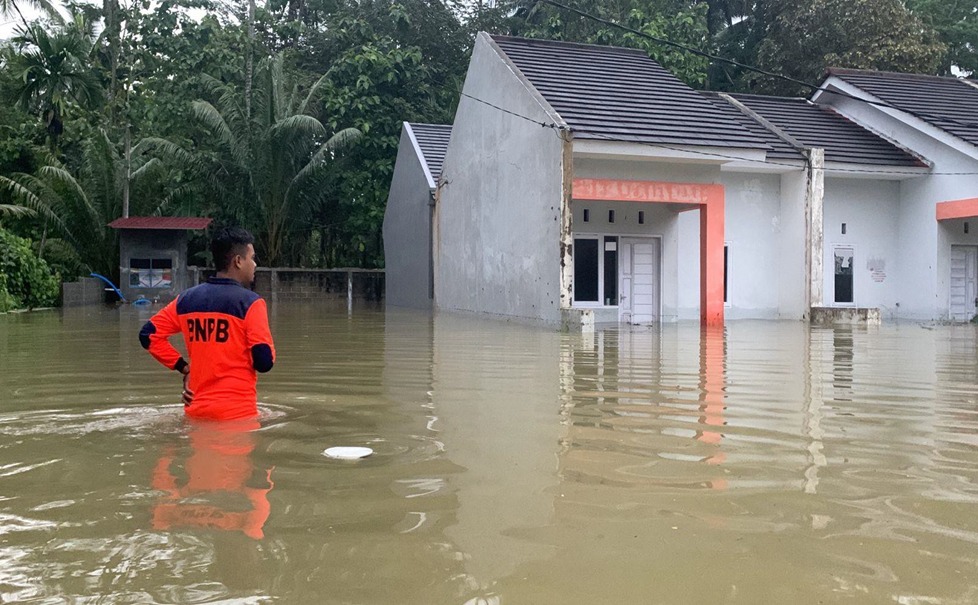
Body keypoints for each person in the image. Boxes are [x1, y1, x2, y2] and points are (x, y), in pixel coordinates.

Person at [139, 226, 275, 421]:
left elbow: (148, 335)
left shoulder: (185, 301)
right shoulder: (251, 303)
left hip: (196, 411)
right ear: (238, 261)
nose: (254, 264)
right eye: (252, 258)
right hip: (238, 414)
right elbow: (264, 362)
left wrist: (185, 369)